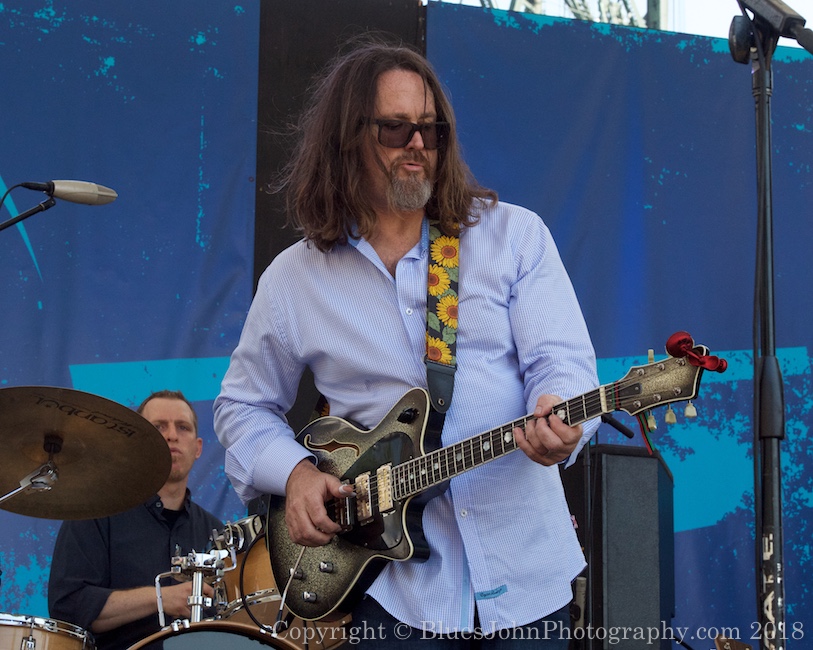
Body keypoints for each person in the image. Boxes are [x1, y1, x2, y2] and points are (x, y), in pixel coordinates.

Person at [213, 36, 599, 648]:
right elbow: (242, 406)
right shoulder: (294, 278)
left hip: (526, 576)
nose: (418, 145)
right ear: (348, 140)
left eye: (431, 128)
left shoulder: (513, 236)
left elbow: (562, 359)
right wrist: (296, 476)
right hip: (394, 596)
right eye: (396, 130)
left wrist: (560, 409)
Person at [48, 390, 223, 650]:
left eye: (182, 427)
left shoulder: (216, 533)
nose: (172, 435)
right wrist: (160, 598)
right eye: (159, 426)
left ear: (198, 448)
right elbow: (68, 605)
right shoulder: (96, 513)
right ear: (141, 441)